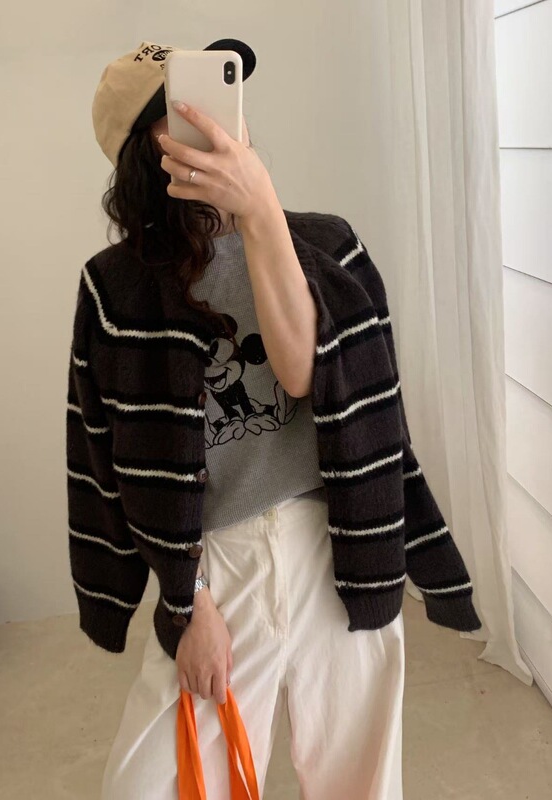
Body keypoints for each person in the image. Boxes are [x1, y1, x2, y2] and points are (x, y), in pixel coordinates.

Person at [67, 38, 480, 800]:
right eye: (183, 110)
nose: (218, 121)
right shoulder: (115, 289)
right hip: (217, 560)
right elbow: (111, 459)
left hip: (340, 541)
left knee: (359, 784)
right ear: (144, 153)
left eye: (222, 97)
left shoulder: (329, 247)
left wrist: (259, 210)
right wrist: (187, 602)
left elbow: (304, 374)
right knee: (149, 787)